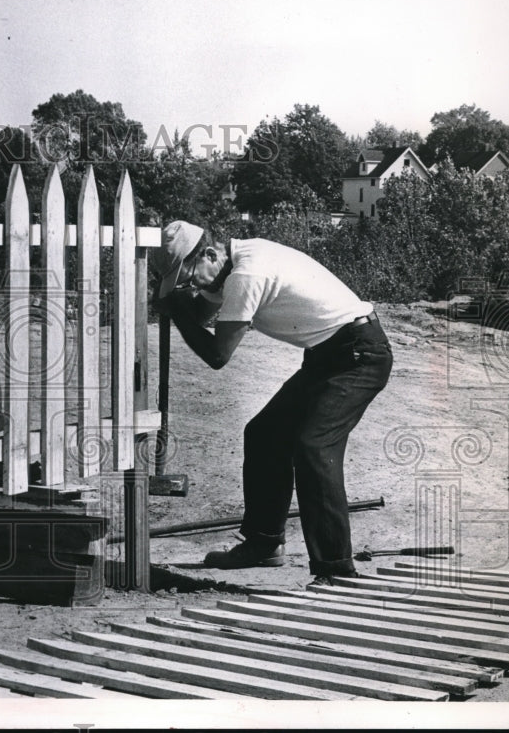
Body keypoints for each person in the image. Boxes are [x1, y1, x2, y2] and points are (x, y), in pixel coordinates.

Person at [151, 220, 393, 586]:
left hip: (359, 354)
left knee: (314, 446)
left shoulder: (247, 273)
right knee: (265, 434)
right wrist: (183, 307)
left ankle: (336, 569)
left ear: (210, 254)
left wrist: (178, 310)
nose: (192, 287)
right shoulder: (227, 267)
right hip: (327, 357)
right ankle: (264, 544)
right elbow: (201, 316)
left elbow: (218, 355)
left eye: (189, 277)